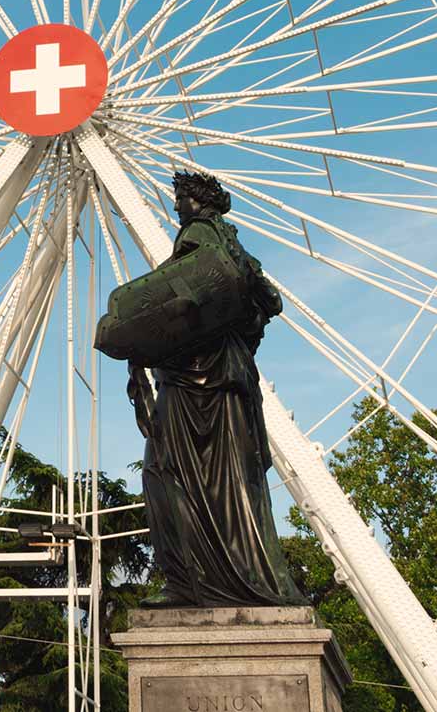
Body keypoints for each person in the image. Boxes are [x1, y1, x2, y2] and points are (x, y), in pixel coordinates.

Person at [127, 169, 306, 608]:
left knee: (166, 473)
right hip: (226, 379)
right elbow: (271, 301)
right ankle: (234, 574)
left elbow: (167, 304)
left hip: (194, 382)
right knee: (229, 481)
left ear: (200, 201)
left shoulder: (197, 237)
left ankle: (190, 582)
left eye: (181, 198)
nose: (175, 206)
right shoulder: (235, 249)